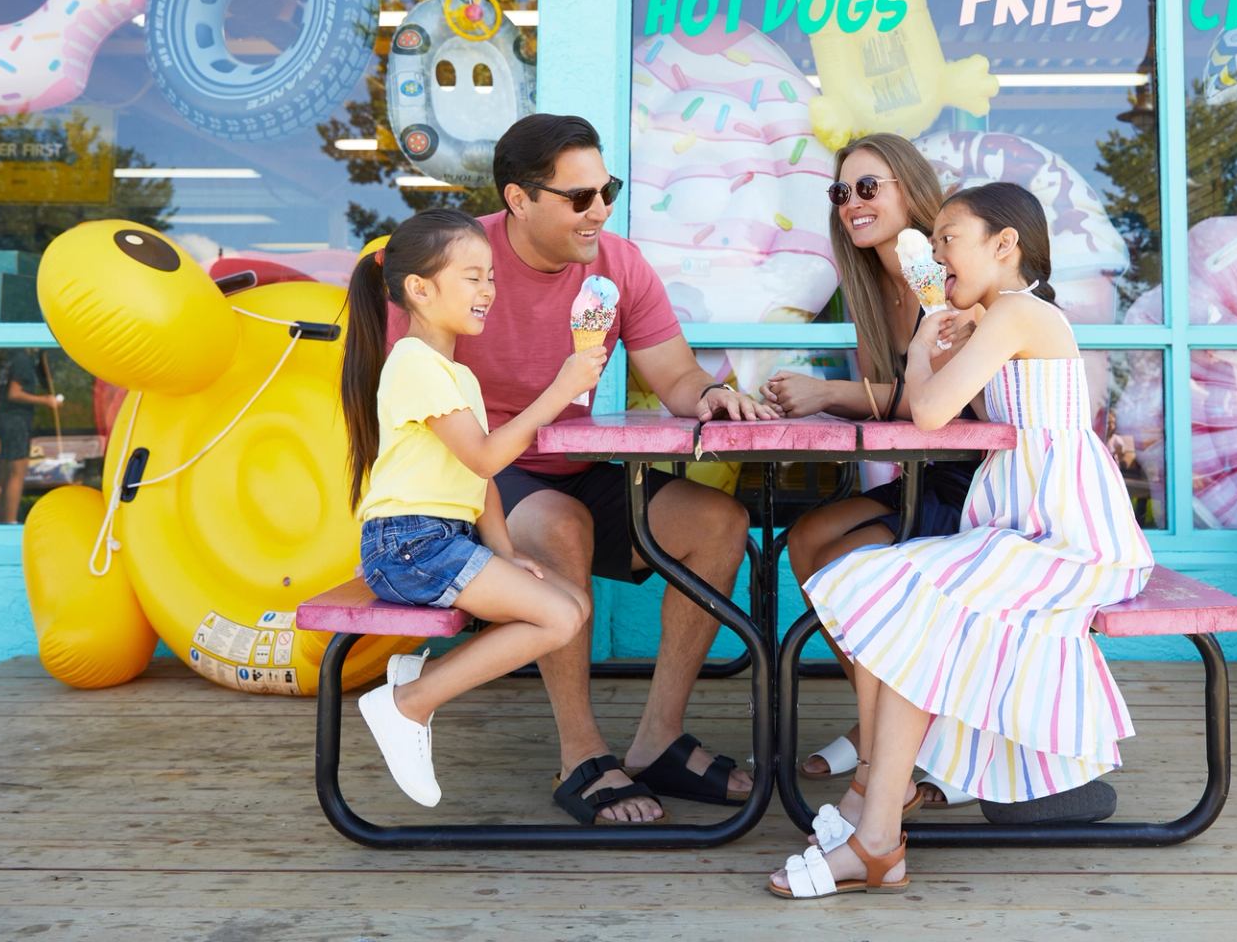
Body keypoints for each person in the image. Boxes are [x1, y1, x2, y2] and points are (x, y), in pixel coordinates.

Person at [768, 183, 1154, 899]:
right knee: (886, 587)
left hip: (1068, 537)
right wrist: (935, 344)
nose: (936, 249)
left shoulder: (1016, 313)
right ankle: (875, 823)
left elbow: (932, 412)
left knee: (898, 589)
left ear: (1005, 246)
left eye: (950, 236)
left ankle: (875, 827)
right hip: (1021, 524)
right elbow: (930, 407)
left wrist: (925, 338)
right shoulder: (991, 320)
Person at [443, 113, 776, 825]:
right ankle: (581, 753)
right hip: (473, 477)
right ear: (518, 199)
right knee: (561, 525)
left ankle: (657, 740)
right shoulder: (459, 263)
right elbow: (414, 396)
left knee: (719, 523)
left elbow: (677, 375)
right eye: (579, 197)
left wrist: (711, 395)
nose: (599, 211)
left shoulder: (618, 265)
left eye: (609, 190)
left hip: (575, 463)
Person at [340, 208, 597, 808]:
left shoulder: (457, 374)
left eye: (490, 278)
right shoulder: (412, 364)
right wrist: (559, 391)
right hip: (408, 547)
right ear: (420, 289)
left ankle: (412, 683)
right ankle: (407, 704)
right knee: (557, 620)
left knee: (575, 605)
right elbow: (485, 458)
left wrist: (507, 554)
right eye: (472, 277)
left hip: (444, 542)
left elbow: (483, 483)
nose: (488, 291)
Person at [760, 133, 978, 806]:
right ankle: (881, 727)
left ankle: (892, 752)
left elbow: (935, 405)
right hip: (924, 476)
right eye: (840, 192)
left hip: (981, 483)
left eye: (868, 187)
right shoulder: (870, 287)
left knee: (852, 565)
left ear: (911, 190)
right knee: (805, 541)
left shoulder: (949, 277)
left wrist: (827, 395)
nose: (851, 203)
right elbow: (893, 410)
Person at [0, 350, 62, 525]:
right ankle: (10, 521)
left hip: (5, 419)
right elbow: (14, 393)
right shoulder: (22, 360)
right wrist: (45, 401)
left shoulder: (12, 360)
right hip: (17, 421)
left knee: (4, 473)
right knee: (17, 472)